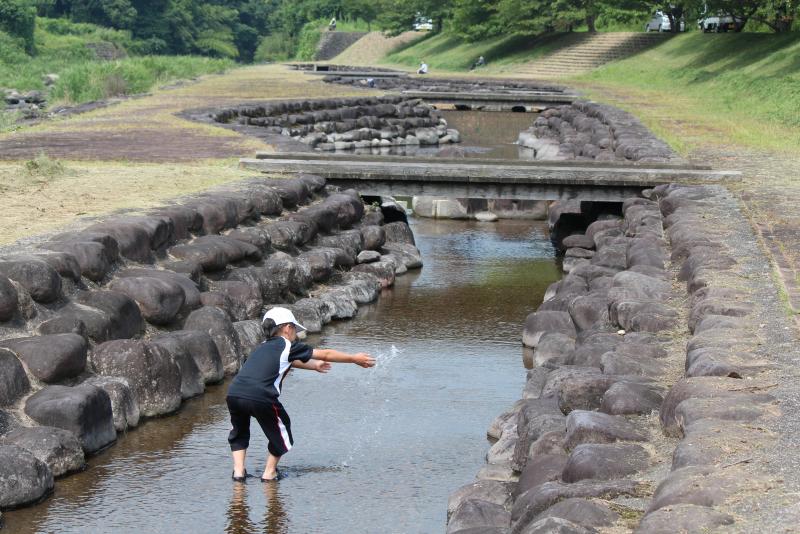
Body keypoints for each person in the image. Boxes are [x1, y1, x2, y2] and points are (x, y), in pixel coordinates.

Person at [226, 307, 375, 482]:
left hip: (234, 394)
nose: (296, 334)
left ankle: (238, 473)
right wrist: (353, 358)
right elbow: (326, 353)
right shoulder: (287, 345)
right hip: (260, 396)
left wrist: (313, 365)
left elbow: (287, 361)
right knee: (283, 431)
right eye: (295, 330)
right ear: (287, 328)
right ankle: (269, 473)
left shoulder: (262, 347)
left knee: (239, 431)